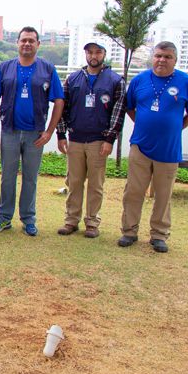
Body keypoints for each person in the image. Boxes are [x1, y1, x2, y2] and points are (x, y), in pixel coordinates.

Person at [118, 41, 188, 253]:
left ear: (175, 59)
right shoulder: (140, 80)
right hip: (140, 146)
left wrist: (175, 128)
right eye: (158, 56)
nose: (162, 60)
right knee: (133, 192)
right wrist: (145, 124)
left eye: (167, 56)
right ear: (152, 57)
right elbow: (129, 107)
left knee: (163, 195)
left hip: (169, 149)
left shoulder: (186, 82)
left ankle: (159, 235)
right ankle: (129, 231)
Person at [0, 26, 64, 236]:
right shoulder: (5, 68)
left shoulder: (47, 69)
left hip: (35, 134)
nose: (27, 44)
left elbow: (59, 100)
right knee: (7, 177)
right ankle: (4, 217)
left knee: (30, 177)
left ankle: (28, 219)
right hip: (10, 131)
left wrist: (49, 131)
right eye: (24, 40)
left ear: (38, 44)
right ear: (17, 43)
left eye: (31, 40)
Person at [56, 42, 126, 238]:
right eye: (90, 52)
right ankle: (71, 221)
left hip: (99, 140)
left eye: (98, 52)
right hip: (75, 139)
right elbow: (62, 108)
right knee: (74, 182)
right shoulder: (73, 78)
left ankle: (92, 223)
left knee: (96, 184)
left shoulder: (115, 80)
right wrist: (61, 135)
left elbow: (118, 112)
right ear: (85, 54)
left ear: (104, 54)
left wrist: (110, 139)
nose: (93, 56)